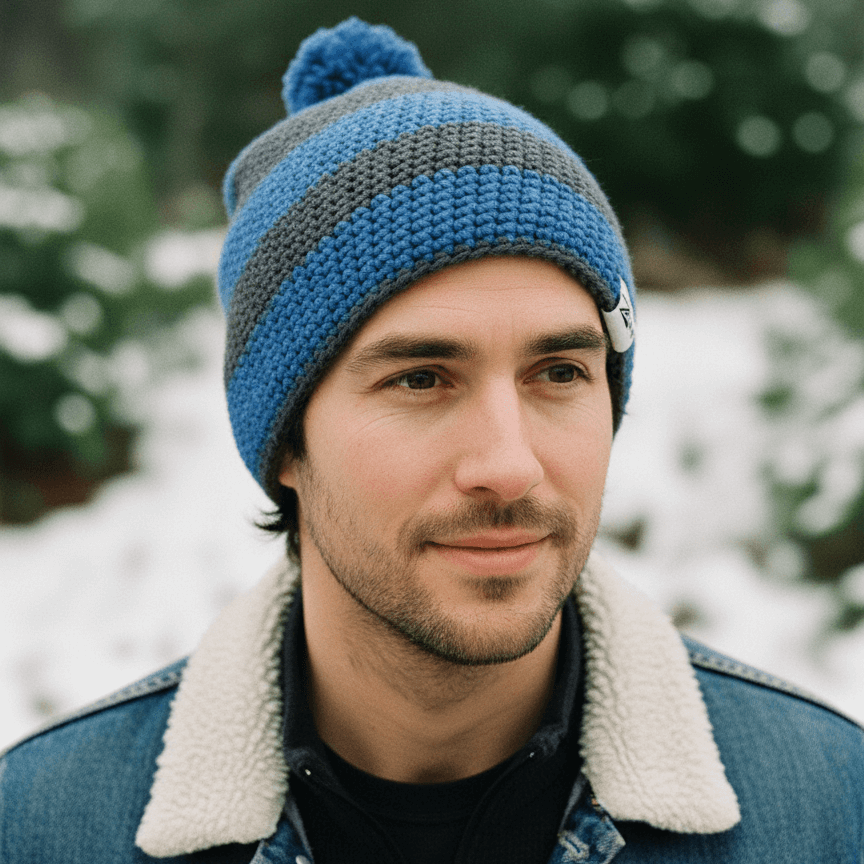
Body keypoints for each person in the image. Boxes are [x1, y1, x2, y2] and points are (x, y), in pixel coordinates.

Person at [1, 17, 862, 864]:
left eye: (559, 372)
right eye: (420, 378)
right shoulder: (49, 827)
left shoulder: (826, 808)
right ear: (285, 443)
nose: (508, 466)